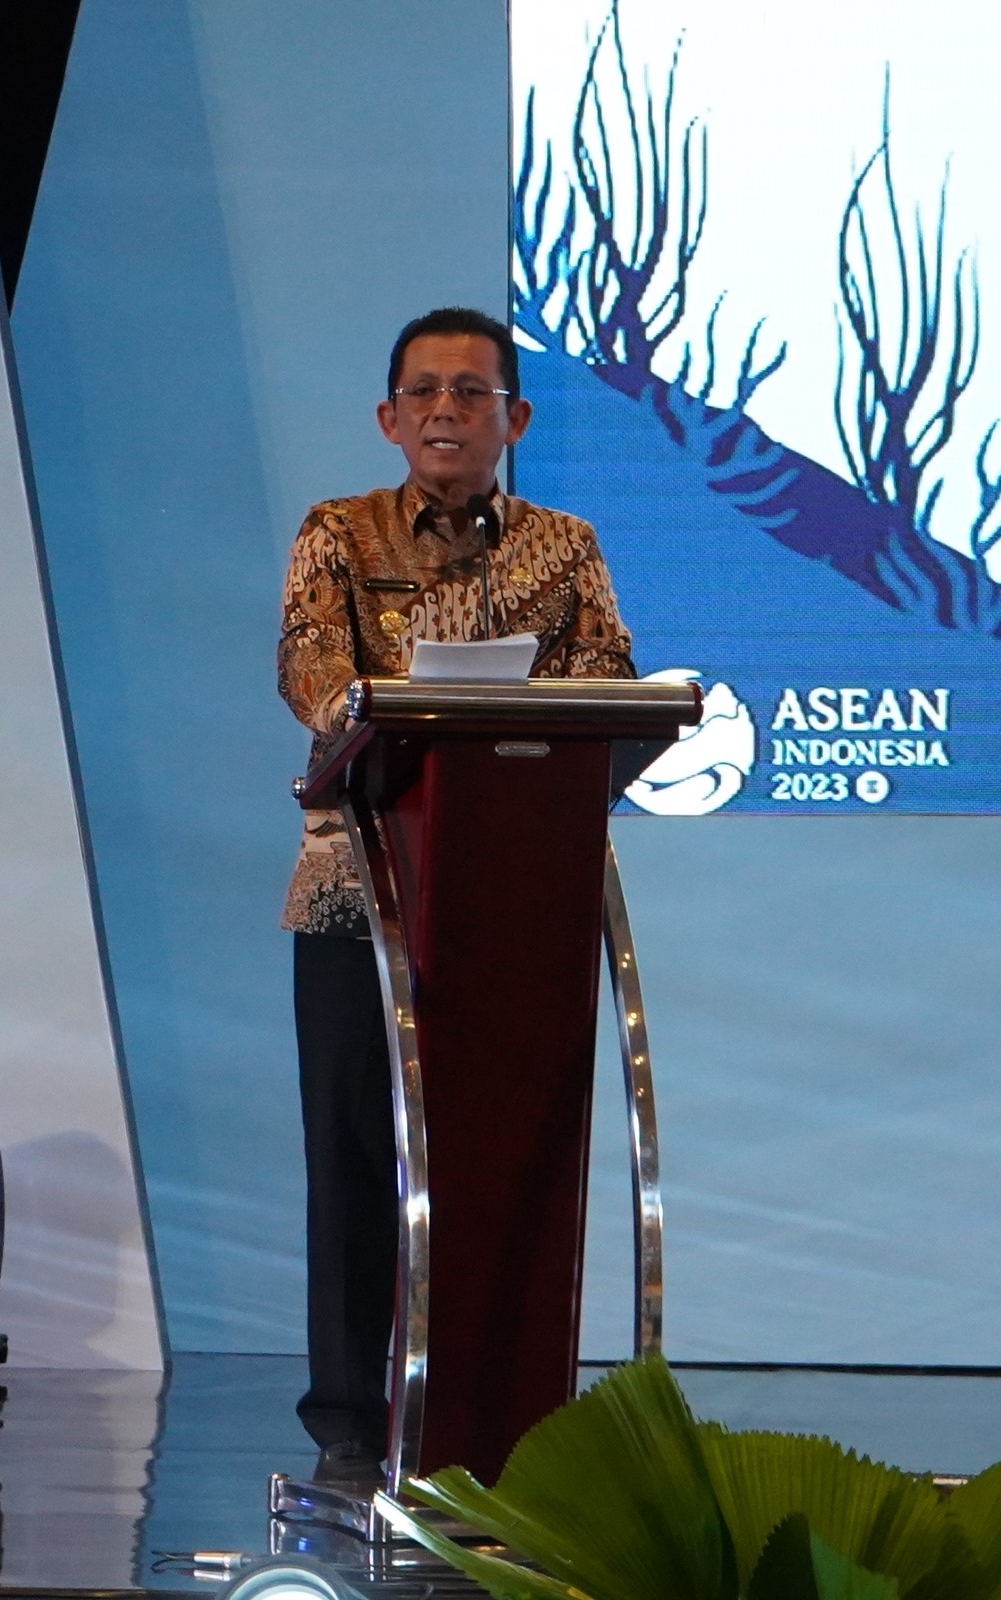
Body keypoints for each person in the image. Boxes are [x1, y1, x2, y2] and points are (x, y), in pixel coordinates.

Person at [275, 306, 633, 1475]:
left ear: (513, 419)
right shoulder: (337, 533)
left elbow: (611, 688)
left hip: (515, 900)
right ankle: (345, 1426)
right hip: (357, 889)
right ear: (389, 418)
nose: (446, 410)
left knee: (504, 1154)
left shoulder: (565, 547)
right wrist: (393, 719)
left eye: (471, 392)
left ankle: (504, 1419)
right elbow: (315, 672)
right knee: (353, 1150)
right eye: (424, 391)